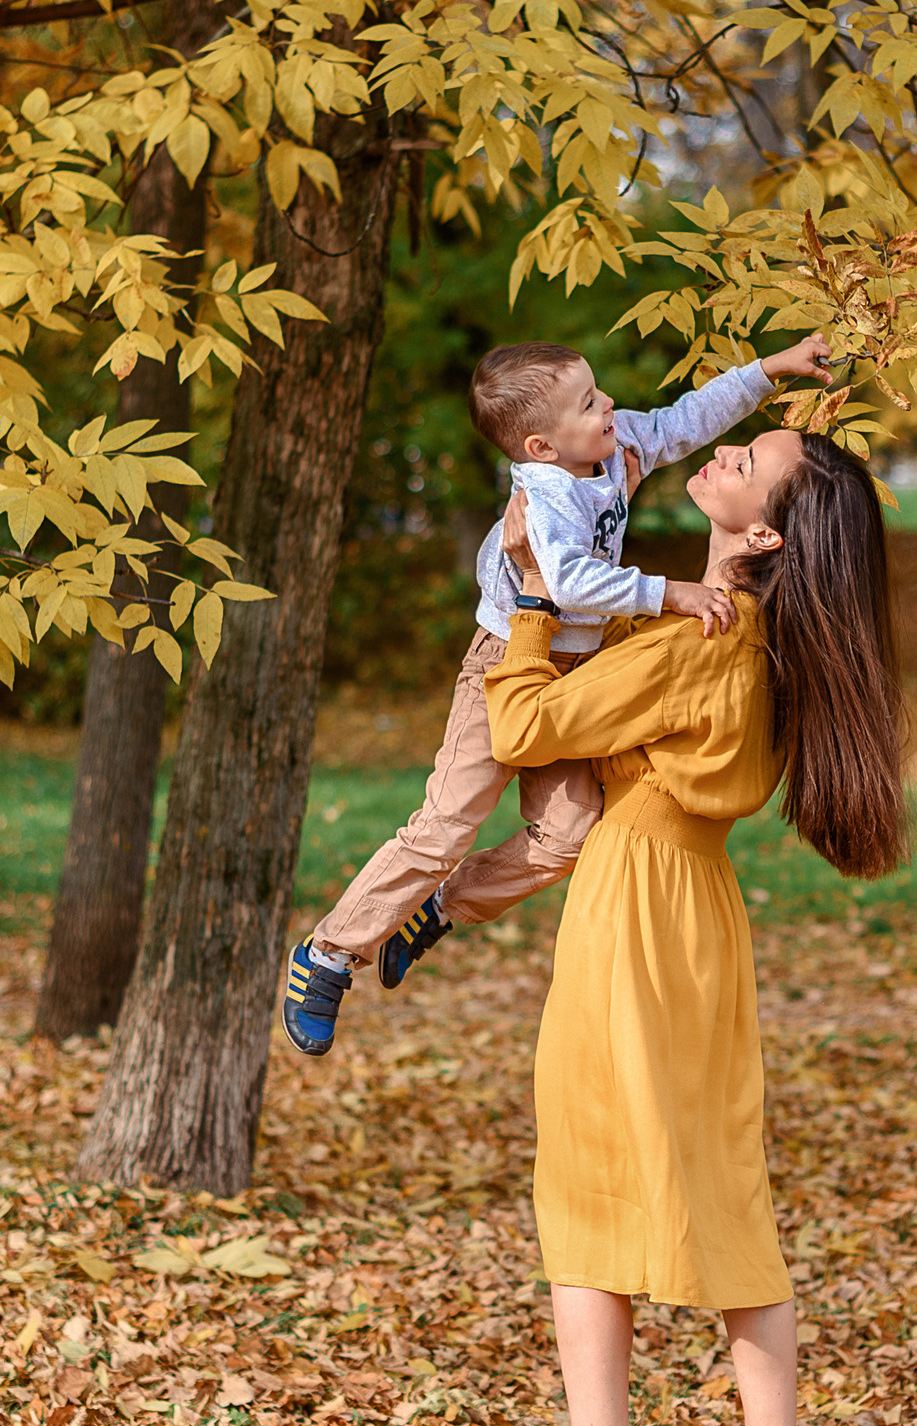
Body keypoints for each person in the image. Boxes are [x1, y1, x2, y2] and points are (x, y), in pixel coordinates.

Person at [471, 425, 909, 1426]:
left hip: (631, 913)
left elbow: (522, 725)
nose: (715, 451)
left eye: (747, 455)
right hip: (701, 915)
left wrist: (522, 601)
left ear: (762, 530)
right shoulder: (758, 646)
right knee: (722, 1180)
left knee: (586, 1179)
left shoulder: (695, 644)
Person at [280, 336, 833, 1056]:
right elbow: (566, 583)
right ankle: (327, 955)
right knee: (445, 823)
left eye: (599, 392)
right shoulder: (545, 495)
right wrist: (668, 592)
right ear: (542, 445)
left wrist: (769, 370)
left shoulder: (609, 445)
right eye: (591, 402)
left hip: (574, 662)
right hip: (505, 661)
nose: (610, 406)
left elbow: (686, 419)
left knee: (568, 836)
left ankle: (441, 906)